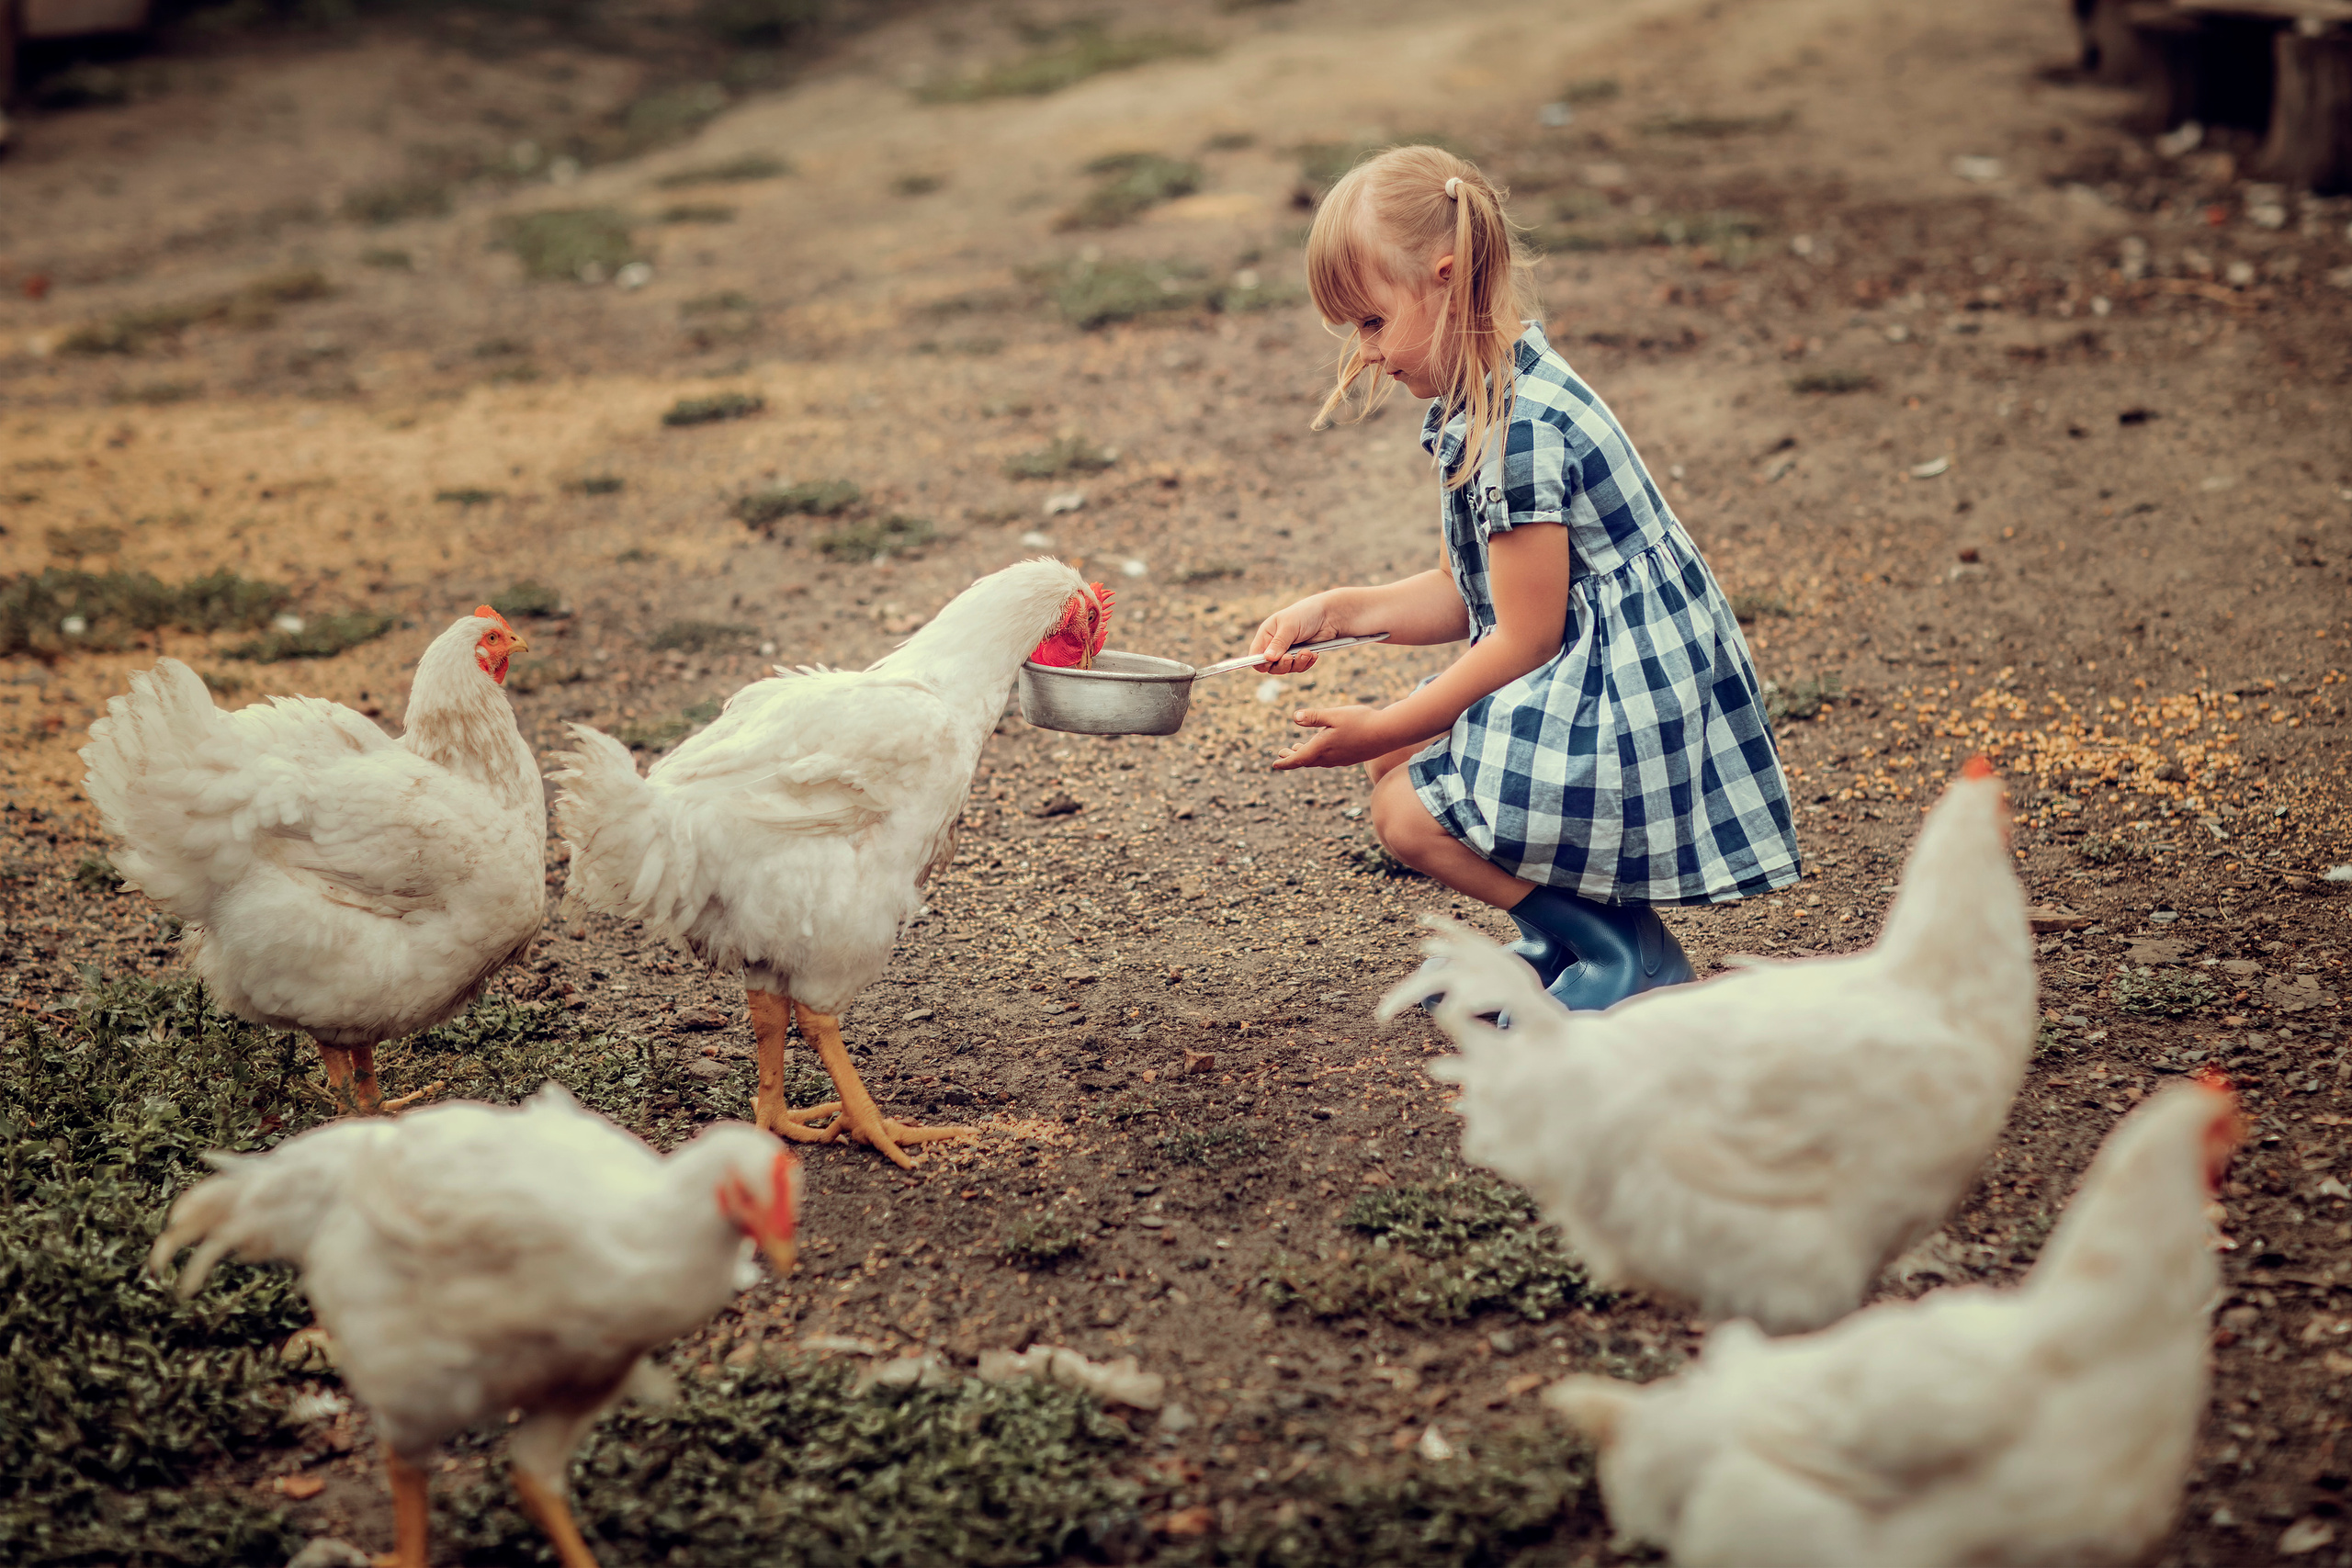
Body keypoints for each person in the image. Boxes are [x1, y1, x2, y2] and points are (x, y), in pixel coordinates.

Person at [1252, 146, 1801, 1011]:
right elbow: (1465, 591)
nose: (1365, 355)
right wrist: (1341, 611)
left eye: (1370, 323)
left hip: (1626, 705)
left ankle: (1620, 952)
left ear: (1447, 279)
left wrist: (1382, 720)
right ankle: (1558, 940)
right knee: (1404, 753)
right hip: (1593, 672)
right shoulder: (1492, 390)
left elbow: (1524, 635)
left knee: (1403, 811)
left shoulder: (1516, 430)